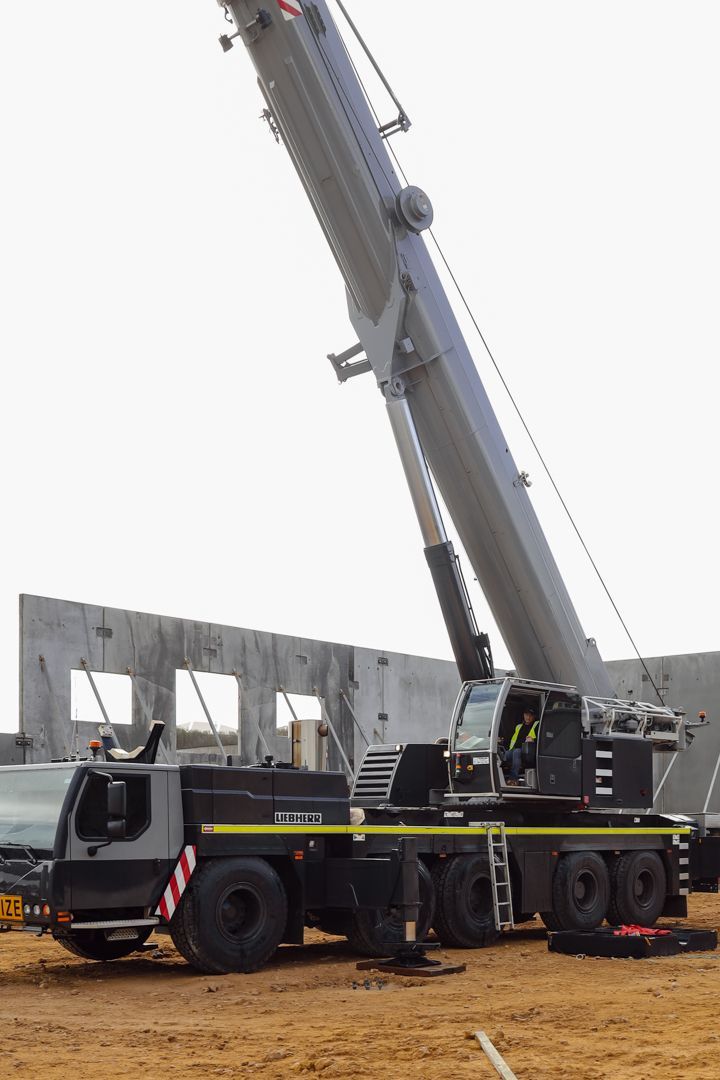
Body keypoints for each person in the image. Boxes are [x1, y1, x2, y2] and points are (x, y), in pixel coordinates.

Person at [505, 706, 538, 784]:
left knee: (516, 752)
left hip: (528, 752)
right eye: (526, 715)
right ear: (524, 715)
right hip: (514, 749)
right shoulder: (518, 726)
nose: (528, 717)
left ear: (534, 716)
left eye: (530, 715)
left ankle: (513, 779)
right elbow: (511, 739)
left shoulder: (537, 724)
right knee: (503, 754)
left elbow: (542, 738)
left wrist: (533, 740)